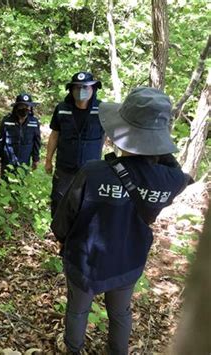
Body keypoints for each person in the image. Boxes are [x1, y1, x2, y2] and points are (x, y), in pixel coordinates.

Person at [51, 87, 192, 355]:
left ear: (119, 132)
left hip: (85, 260)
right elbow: (176, 172)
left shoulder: (93, 172)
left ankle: (73, 348)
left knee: (78, 309)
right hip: (129, 259)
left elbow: (64, 219)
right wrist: (157, 148)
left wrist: (62, 241)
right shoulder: (171, 180)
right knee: (120, 312)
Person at [45, 72, 104, 221]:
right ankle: (59, 235)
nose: (81, 91)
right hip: (65, 167)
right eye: (77, 87)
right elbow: (54, 135)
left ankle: (78, 236)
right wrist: (48, 159)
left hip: (90, 169)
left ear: (93, 89)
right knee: (60, 202)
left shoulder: (102, 109)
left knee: (86, 205)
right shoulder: (62, 108)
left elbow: (106, 136)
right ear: (71, 90)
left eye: (85, 87)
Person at [0, 93, 41, 177]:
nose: (24, 109)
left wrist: (35, 159)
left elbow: (36, 141)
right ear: (16, 107)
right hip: (8, 159)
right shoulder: (7, 120)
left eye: (27, 107)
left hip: (25, 159)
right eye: (22, 106)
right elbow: (0, 139)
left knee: (21, 184)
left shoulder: (34, 122)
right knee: (6, 183)